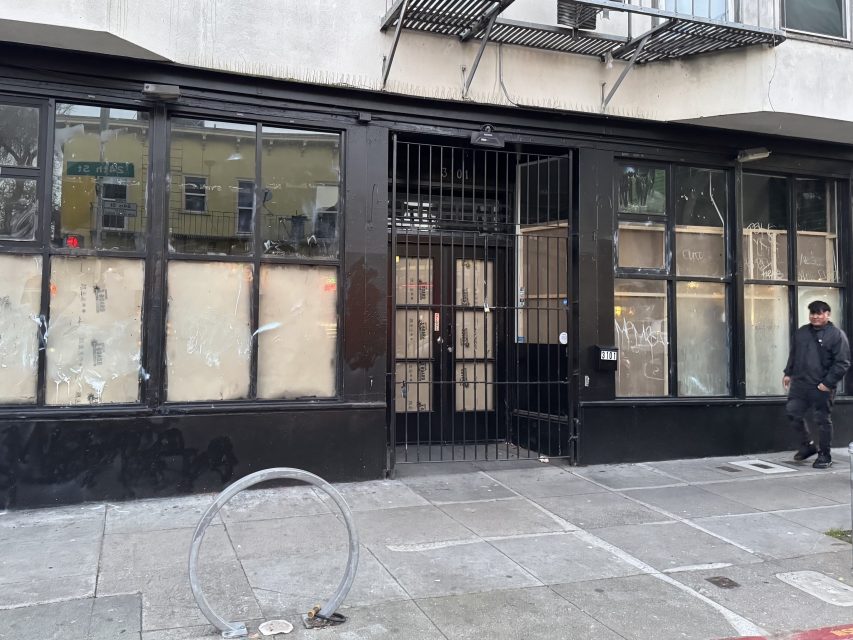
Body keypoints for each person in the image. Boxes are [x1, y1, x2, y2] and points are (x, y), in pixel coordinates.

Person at [783, 300, 850, 469]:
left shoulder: (836, 335)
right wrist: (788, 373)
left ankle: (825, 455)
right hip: (800, 384)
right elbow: (794, 353)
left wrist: (827, 383)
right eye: (812, 313)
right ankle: (807, 446)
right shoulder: (802, 332)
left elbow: (843, 363)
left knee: (822, 420)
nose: (815, 317)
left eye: (819, 313)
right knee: (792, 412)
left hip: (821, 386)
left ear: (827, 315)